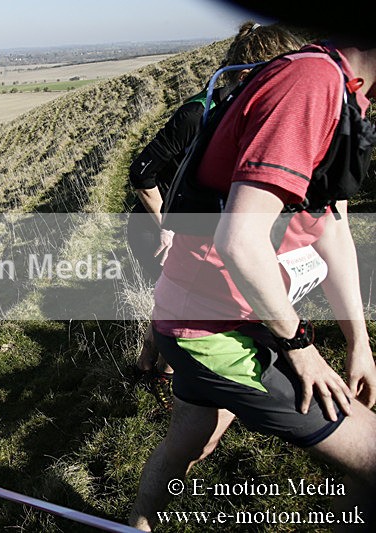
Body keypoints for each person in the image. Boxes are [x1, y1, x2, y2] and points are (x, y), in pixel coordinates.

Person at [128, 37, 376, 531]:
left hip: (224, 312)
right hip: (216, 330)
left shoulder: (345, 90)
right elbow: (240, 240)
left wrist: (359, 342)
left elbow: (330, 227)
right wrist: (301, 347)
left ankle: (136, 524)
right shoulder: (312, 84)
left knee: (195, 435)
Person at [126, 21, 306, 410]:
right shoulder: (197, 115)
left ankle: (160, 374)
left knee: (182, 306)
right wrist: (167, 228)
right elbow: (142, 174)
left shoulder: (245, 115)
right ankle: (162, 380)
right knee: (174, 307)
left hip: (194, 226)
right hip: (159, 225)